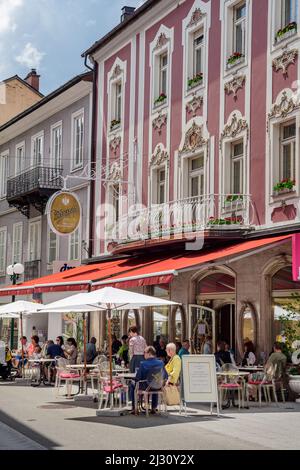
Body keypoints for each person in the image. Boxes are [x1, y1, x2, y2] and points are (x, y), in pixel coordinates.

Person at [129, 346, 164, 415]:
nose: (143, 354)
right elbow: (164, 375)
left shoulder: (143, 363)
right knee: (154, 383)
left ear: (149, 353)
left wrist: (135, 380)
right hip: (158, 386)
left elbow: (138, 377)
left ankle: (134, 408)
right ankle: (154, 407)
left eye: (144, 352)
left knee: (132, 385)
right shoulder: (161, 363)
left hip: (145, 387)